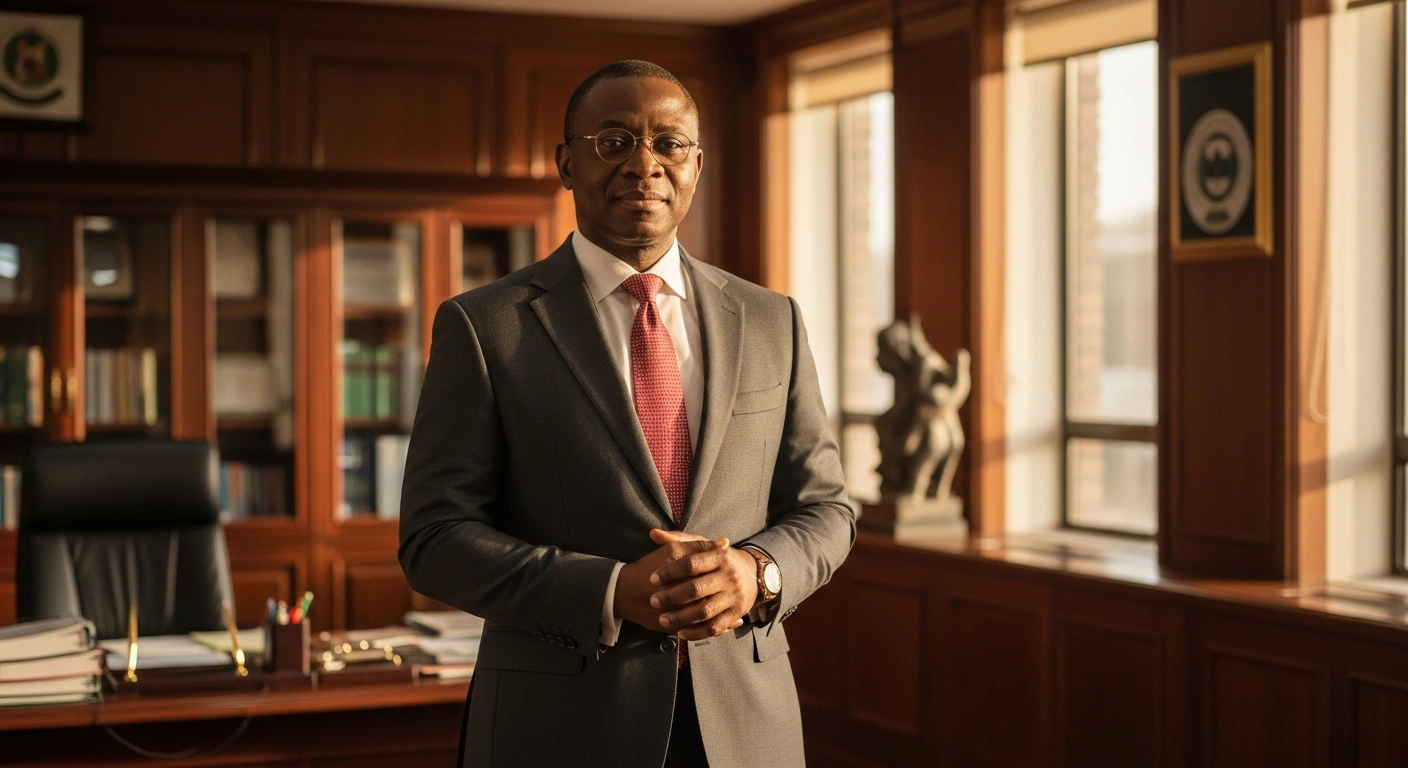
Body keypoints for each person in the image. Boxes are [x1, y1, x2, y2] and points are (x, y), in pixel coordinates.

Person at [399, 59, 855, 768]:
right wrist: (609, 590)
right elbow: (435, 537)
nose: (645, 163)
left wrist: (758, 573)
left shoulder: (772, 321)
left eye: (668, 143)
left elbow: (826, 508)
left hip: (744, 725)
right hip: (559, 727)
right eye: (614, 141)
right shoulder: (484, 327)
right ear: (567, 163)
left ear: (696, 166)